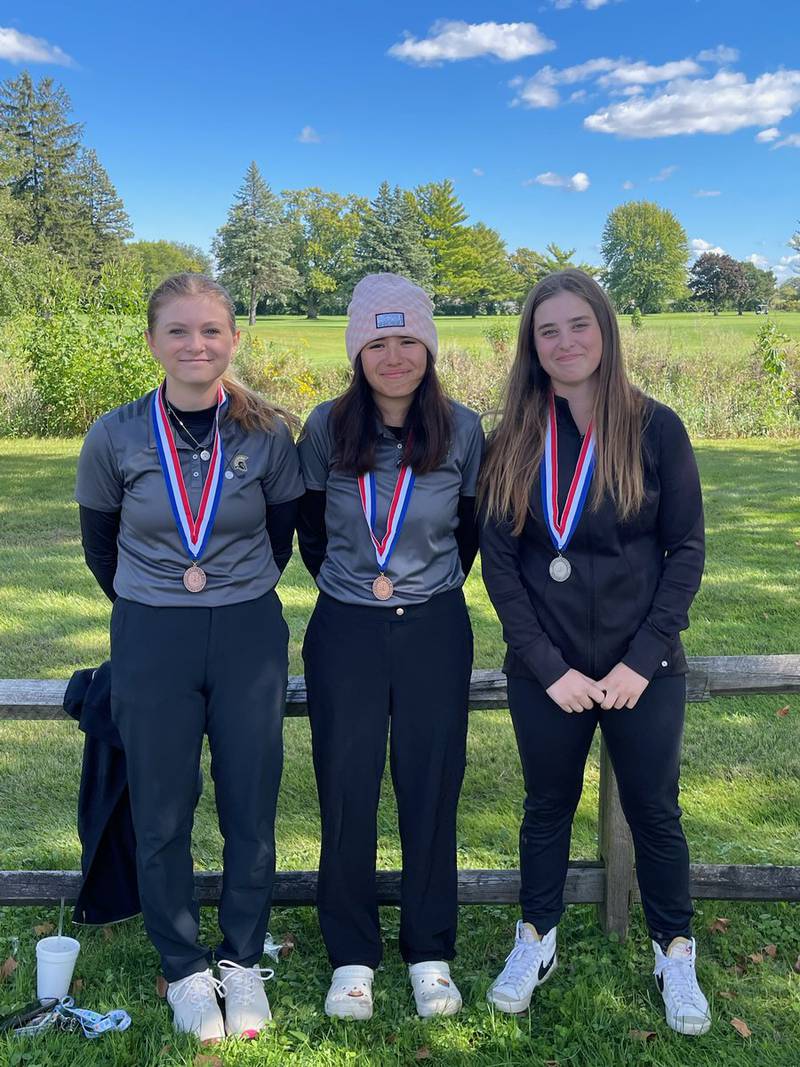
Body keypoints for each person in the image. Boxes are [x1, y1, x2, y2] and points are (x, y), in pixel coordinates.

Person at [478, 269, 710, 1036]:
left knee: (655, 811)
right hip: (550, 670)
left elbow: (685, 551)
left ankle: (674, 949)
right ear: (532, 346)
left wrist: (641, 659)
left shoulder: (655, 427)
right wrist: (549, 666)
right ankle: (535, 939)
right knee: (545, 807)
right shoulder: (511, 435)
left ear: (605, 332)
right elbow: (501, 566)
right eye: (549, 330)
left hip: (643, 668)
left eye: (579, 325)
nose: (566, 341)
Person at [75, 273, 304, 1042]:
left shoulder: (269, 430)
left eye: (210, 330)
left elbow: (282, 534)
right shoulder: (114, 434)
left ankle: (241, 959)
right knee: (164, 810)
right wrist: (158, 600)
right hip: (151, 632)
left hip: (247, 631)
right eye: (177, 330)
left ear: (233, 338)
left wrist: (227, 589)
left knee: (250, 804)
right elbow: (100, 545)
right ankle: (182, 966)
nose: (195, 344)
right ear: (152, 341)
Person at [297, 273, 484, 1020]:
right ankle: (351, 953)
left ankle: (429, 948)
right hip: (346, 625)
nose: (396, 354)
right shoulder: (324, 426)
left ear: (430, 348)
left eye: (409, 339)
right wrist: (359, 585)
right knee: (346, 785)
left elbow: (470, 532)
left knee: (431, 781)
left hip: (435, 624)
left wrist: (420, 587)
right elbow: (309, 531)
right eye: (379, 340)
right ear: (358, 350)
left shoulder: (463, 428)